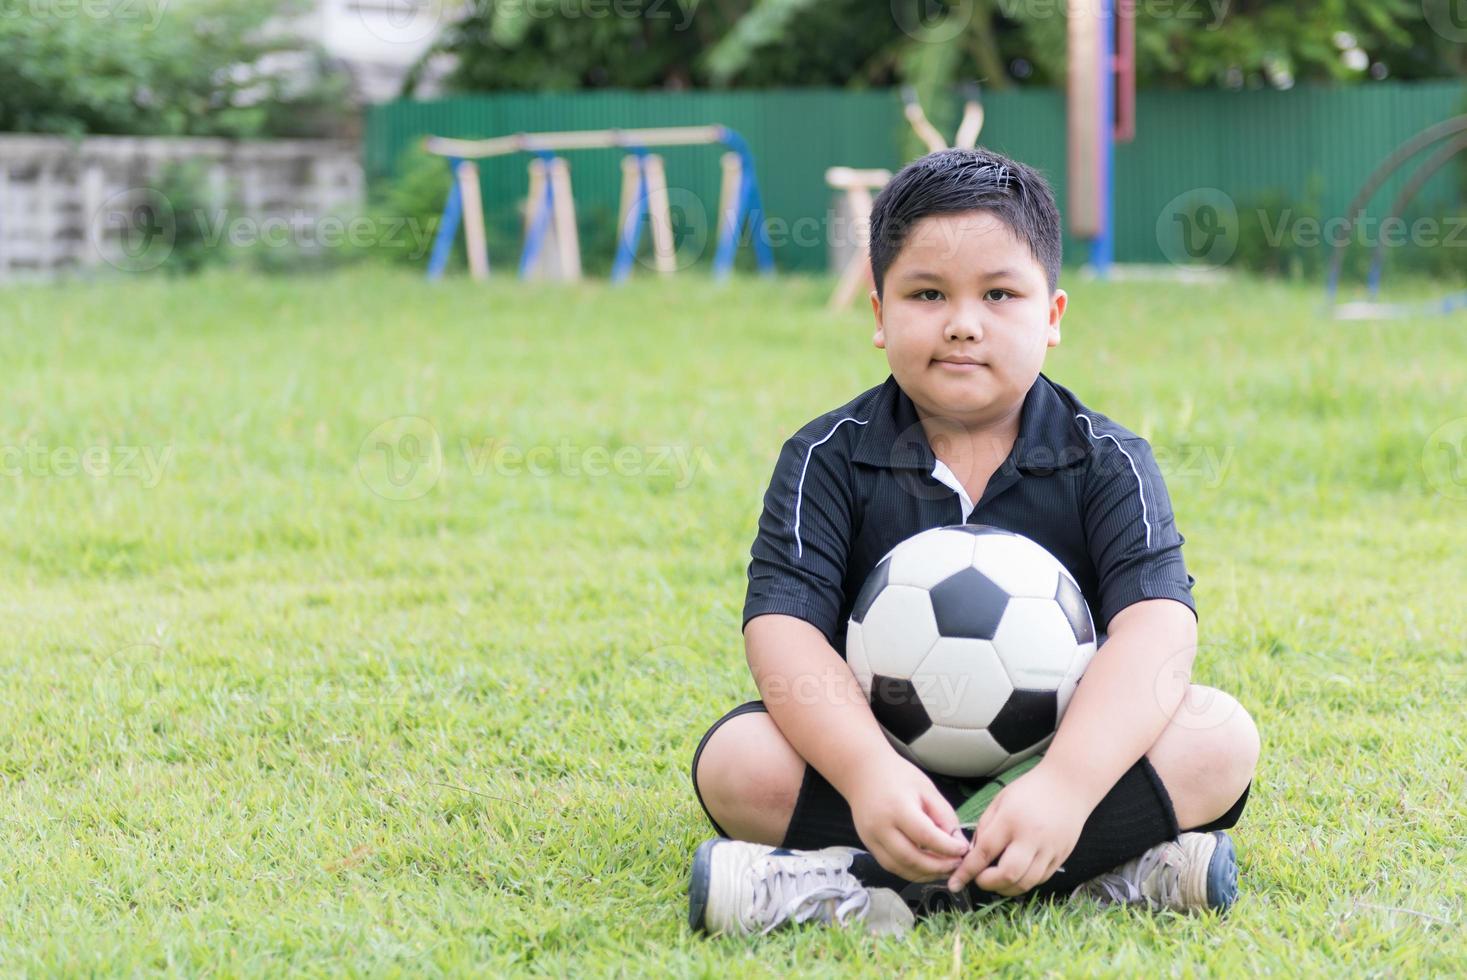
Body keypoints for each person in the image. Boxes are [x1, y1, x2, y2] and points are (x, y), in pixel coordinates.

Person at [686, 147, 1260, 937]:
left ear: (1050, 317)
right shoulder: (826, 456)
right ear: (880, 316)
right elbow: (783, 630)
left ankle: (847, 889)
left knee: (1218, 736)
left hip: (1067, 760)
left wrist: (1064, 785)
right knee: (737, 761)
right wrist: (867, 774)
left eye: (999, 293)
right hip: (885, 766)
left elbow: (1156, 629)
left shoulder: (1106, 458)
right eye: (926, 294)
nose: (962, 322)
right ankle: (1099, 874)